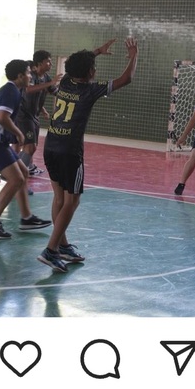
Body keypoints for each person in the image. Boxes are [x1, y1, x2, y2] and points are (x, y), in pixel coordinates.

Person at [37, 37, 138, 272]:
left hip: (50, 146)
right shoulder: (90, 90)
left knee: (59, 198)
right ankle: (51, 250)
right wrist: (134, 56)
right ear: (90, 73)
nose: (95, 69)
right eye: (93, 66)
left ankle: (61, 245)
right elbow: (126, 79)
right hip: (70, 152)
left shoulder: (65, 81)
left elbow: (76, 63)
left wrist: (97, 52)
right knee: (72, 201)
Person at [0, 59, 52, 239]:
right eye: (28, 73)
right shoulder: (10, 91)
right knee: (16, 179)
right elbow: (2, 117)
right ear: (20, 76)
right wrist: (19, 133)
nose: (30, 76)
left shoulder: (13, 90)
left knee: (23, 172)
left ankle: (27, 218)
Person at [15, 50, 62, 177]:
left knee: (32, 147)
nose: (51, 64)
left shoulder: (46, 77)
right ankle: (14, 172)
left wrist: (72, 94)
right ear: (40, 63)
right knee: (28, 146)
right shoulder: (31, 76)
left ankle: (19, 169)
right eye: (48, 62)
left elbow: (55, 92)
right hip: (24, 116)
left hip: (34, 117)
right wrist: (50, 83)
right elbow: (29, 90)